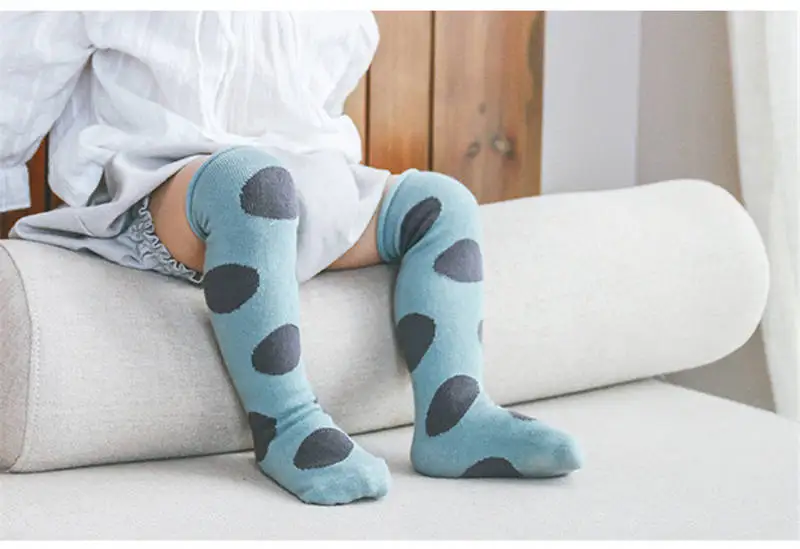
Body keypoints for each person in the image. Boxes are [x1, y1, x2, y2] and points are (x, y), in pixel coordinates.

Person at [0, 11, 582, 505]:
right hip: (157, 182)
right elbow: (24, 70)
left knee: (442, 202)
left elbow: (326, 87)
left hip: (297, 177)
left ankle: (456, 415)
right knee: (252, 181)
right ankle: (287, 424)